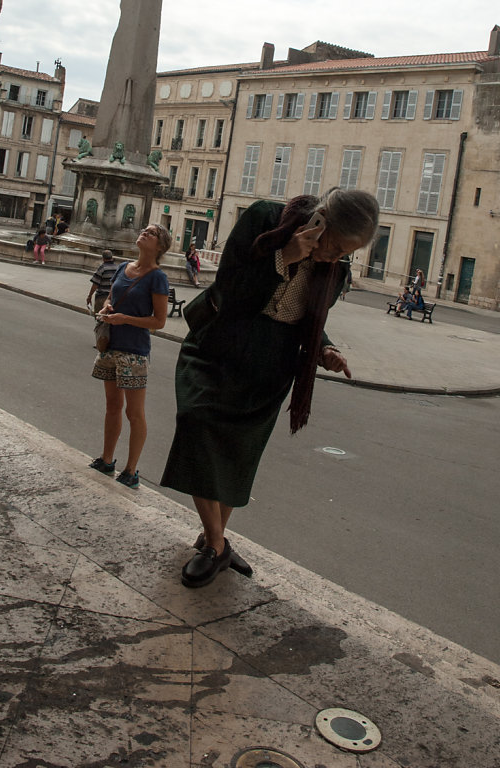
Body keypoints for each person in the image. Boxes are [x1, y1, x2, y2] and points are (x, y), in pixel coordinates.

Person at [160, 188, 379, 588]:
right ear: (320, 221)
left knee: (239, 455)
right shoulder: (265, 221)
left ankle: (212, 543)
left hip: (271, 363)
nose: (335, 258)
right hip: (219, 345)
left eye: (346, 254)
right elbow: (228, 287)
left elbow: (306, 320)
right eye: (334, 247)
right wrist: (284, 258)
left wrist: (324, 348)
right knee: (195, 422)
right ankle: (218, 545)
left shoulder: (335, 271)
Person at [89, 224, 171, 489]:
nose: (144, 233)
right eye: (145, 230)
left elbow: (159, 321)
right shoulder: (123, 267)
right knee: (112, 407)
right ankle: (107, 458)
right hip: (111, 346)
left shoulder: (157, 277)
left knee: (134, 413)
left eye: (152, 233)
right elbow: (110, 298)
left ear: (160, 246)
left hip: (135, 351)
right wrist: (107, 307)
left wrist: (125, 319)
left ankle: (131, 469)